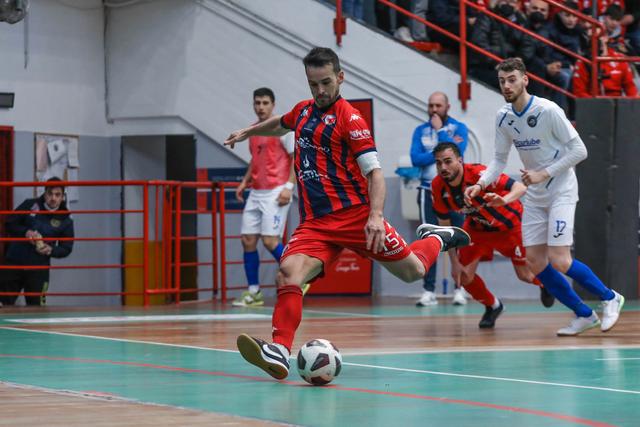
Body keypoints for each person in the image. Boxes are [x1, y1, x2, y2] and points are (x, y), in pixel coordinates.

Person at [224, 47, 470, 380]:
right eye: (313, 84)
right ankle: (280, 350)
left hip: (356, 217)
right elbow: (280, 125)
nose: (320, 90)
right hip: (316, 224)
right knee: (287, 273)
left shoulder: (351, 120)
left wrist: (376, 216)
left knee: (412, 271)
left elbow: (375, 174)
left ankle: (438, 238)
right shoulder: (303, 111)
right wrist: (249, 131)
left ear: (340, 77)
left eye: (326, 82)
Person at [465, 57, 625, 336]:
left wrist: (544, 173)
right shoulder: (503, 116)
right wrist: (480, 184)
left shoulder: (548, 110)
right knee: (535, 263)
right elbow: (499, 160)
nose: (507, 85)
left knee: (560, 259)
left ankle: (610, 297)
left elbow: (580, 151)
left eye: (512, 79)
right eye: (502, 81)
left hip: (561, 190)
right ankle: (583, 315)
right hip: (535, 196)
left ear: (525, 80)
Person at [431, 142, 555, 328]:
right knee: (462, 276)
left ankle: (547, 284)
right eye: (439, 163)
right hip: (477, 230)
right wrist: (454, 262)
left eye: (448, 161)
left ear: (460, 160)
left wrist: (503, 200)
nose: (443, 167)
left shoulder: (480, 174)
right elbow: (444, 226)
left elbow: (520, 188)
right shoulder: (438, 186)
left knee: (525, 275)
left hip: (510, 227)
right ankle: (493, 306)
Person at [231, 88, 297, 308]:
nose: (261, 107)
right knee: (248, 240)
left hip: (277, 191)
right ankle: (254, 292)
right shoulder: (252, 130)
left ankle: (299, 276)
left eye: (265, 103)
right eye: (257, 103)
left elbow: (296, 158)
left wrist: (289, 187)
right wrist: (244, 181)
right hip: (256, 192)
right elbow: (255, 158)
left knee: (270, 241)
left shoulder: (283, 129)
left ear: (273, 105)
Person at [410, 92, 469, 306]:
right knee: (429, 240)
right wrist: (439, 156)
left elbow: (457, 153)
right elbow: (415, 159)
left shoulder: (459, 128)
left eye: (438, 105)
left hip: (455, 191)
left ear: (447, 107)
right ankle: (428, 290)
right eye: (431, 105)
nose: (434, 109)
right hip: (427, 190)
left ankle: (460, 288)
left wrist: (441, 132)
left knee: (458, 239)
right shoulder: (420, 130)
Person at [0, 177, 74, 306]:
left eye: (57, 195)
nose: (53, 198)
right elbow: (9, 223)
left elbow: (66, 248)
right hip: (14, 263)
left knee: (36, 308)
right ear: (44, 193)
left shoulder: (65, 219)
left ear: (63, 197)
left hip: (38, 269)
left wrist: (51, 250)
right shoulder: (29, 204)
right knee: (3, 303)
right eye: (50, 193)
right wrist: (25, 232)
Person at [469, 0, 536, 91]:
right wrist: (495, 62)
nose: (508, 4)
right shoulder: (486, 16)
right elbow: (479, 42)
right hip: (486, 65)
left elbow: (528, 44)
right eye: (505, 0)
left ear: (517, 5)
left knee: (537, 66)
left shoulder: (521, 21)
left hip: (511, 65)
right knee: (508, 80)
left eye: (512, 2)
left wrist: (521, 58)